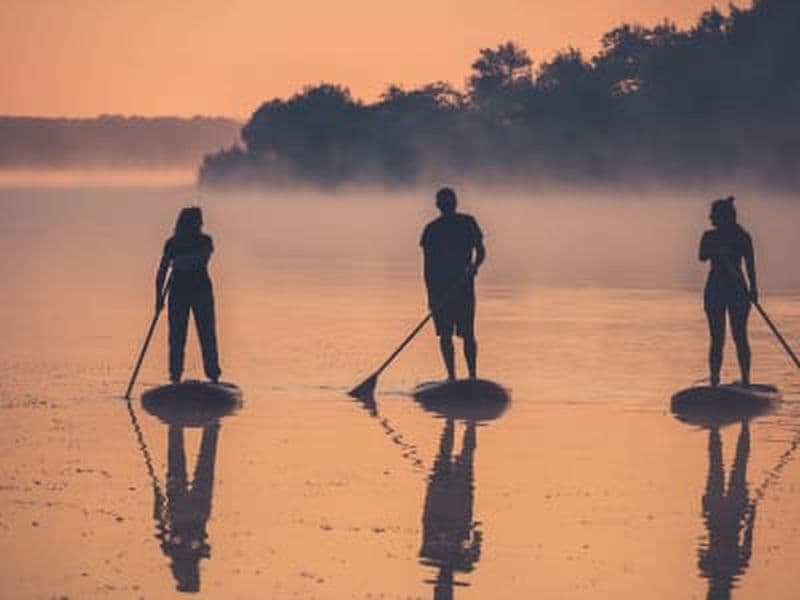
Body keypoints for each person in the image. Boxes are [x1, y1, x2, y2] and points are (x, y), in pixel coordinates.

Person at [420, 187, 485, 380]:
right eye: (444, 203)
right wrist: (432, 299)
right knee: (446, 335)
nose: (447, 206)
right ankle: (452, 377)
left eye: (449, 202)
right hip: (441, 290)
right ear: (439, 206)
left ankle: (472, 376)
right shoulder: (431, 230)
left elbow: (480, 252)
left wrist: (474, 266)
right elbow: (428, 268)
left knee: (468, 334)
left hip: (463, 287)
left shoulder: (468, 223)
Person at [156, 206, 221, 383]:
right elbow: (162, 271)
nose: (200, 224)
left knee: (207, 334)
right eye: (197, 220)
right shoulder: (172, 244)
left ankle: (213, 374)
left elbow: (201, 258)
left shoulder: (205, 241)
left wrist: (179, 262)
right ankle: (175, 375)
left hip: (201, 294)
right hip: (178, 295)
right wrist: (158, 298)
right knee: (176, 337)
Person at [698, 196, 758, 387]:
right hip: (715, 289)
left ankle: (746, 380)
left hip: (737, 290)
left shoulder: (742, 236)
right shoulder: (709, 236)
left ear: (725, 217)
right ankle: (714, 380)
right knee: (717, 339)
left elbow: (750, 265)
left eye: (714, 215)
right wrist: (716, 251)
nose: (710, 219)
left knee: (740, 336)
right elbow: (701, 256)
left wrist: (754, 289)